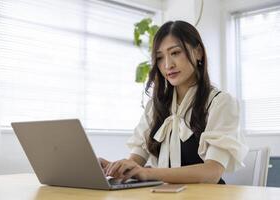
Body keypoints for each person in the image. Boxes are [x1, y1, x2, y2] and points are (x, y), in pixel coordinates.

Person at [99, 20, 248, 184]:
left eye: (175, 53)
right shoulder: (155, 107)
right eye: (160, 57)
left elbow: (212, 172)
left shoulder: (220, 103)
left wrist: (149, 173)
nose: (168, 64)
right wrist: (114, 168)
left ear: (198, 52)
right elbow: (136, 162)